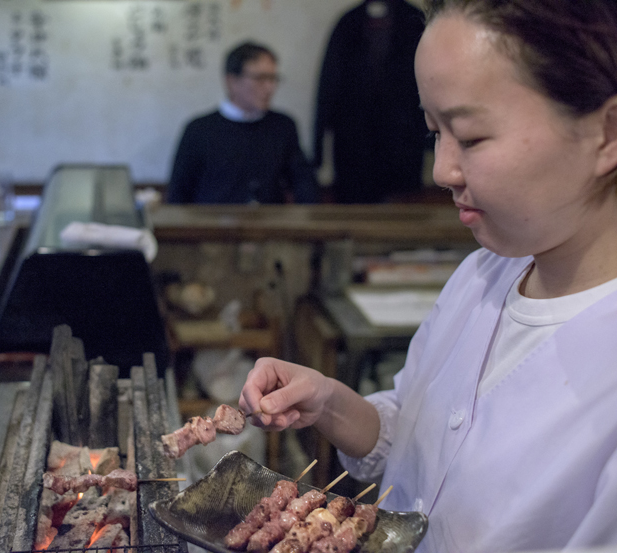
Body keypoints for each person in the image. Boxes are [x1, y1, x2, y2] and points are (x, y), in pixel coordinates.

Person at [239, 1, 617, 551]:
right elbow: (415, 437)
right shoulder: (485, 272)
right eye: (432, 131)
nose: (442, 170)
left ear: (607, 132)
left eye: (471, 136)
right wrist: (328, 401)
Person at [165, 41, 319, 204]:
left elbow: (304, 183)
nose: (269, 87)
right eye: (260, 78)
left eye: (273, 78)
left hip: (269, 225)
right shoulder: (199, 130)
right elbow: (178, 193)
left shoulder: (283, 126)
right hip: (212, 226)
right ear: (232, 81)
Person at [313, 0, 429, 204]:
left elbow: (433, 81)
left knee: (403, 213)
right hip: (354, 144)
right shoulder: (349, 23)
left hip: (403, 141)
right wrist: (318, 149)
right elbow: (328, 84)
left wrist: (434, 140)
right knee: (354, 211)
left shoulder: (414, 21)